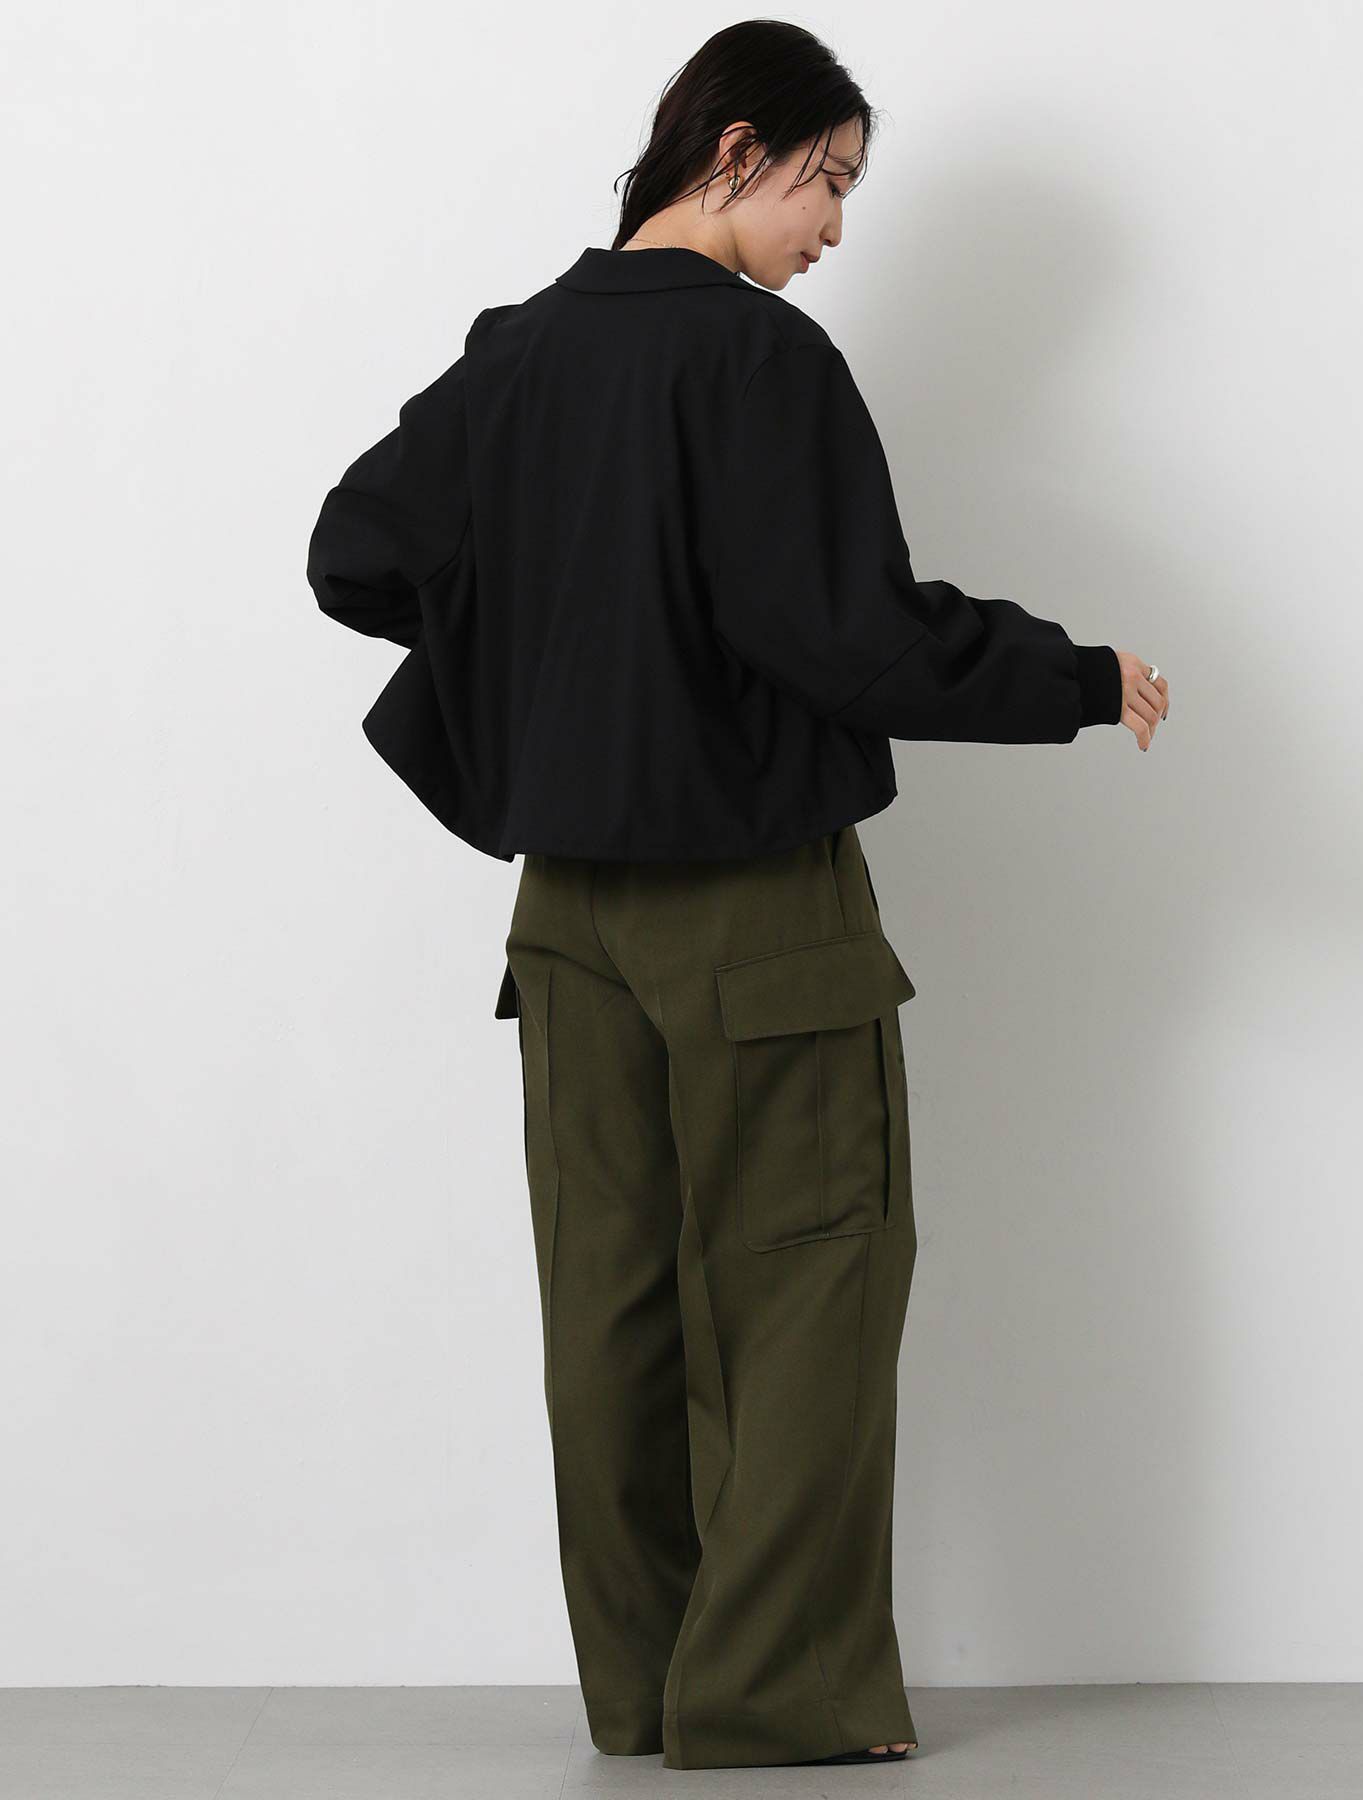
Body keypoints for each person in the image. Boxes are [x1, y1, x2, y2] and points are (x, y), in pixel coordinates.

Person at [305, 19, 1167, 1775]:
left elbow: (356, 551)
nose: (835, 228)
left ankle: (643, 1691)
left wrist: (549, 655)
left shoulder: (521, 353)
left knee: (609, 1302)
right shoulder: (760, 362)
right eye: (827, 183)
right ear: (735, 150)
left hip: (566, 920)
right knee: (805, 1288)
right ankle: (767, 1698)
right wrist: (1077, 677)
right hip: (757, 912)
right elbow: (852, 638)